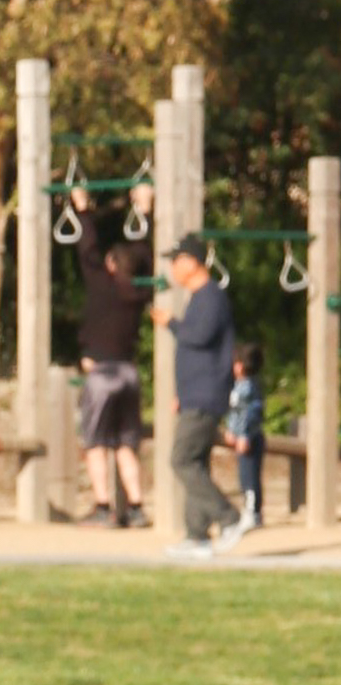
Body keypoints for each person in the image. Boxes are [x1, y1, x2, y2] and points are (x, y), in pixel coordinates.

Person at [66, 184, 151, 525]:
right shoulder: (138, 292)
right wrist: (145, 210)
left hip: (101, 374)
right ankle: (136, 506)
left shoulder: (102, 285)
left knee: (96, 442)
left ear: (112, 264)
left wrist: (83, 208)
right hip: (128, 372)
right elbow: (144, 254)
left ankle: (103, 506)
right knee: (126, 444)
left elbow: (87, 249)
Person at [153, 233, 238, 556]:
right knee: (196, 462)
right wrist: (182, 393)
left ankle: (229, 517)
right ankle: (197, 537)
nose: (173, 268)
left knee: (182, 459)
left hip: (207, 395)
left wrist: (171, 324)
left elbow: (199, 337)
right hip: (195, 394)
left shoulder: (211, 297)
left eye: (176, 261)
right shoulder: (199, 297)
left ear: (191, 262)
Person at [228, 339, 267, 536]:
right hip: (242, 437)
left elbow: (248, 414)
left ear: (241, 366)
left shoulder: (248, 388)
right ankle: (251, 510)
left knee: (250, 477)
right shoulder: (239, 385)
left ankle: (253, 512)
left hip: (250, 439)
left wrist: (243, 435)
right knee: (244, 476)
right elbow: (235, 413)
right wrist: (231, 430)